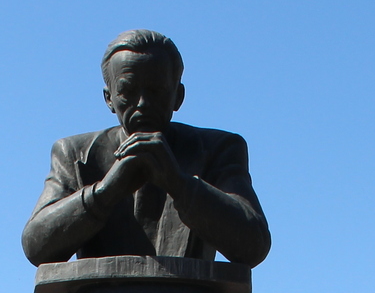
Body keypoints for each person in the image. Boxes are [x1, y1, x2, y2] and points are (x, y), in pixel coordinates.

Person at [21, 30, 270, 268]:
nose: (142, 104)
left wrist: (178, 184)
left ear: (178, 97)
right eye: (128, 92)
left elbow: (253, 245)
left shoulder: (217, 149)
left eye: (156, 91)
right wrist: (106, 191)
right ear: (109, 99)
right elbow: (36, 246)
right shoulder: (74, 153)